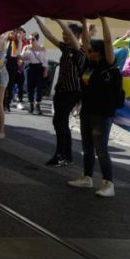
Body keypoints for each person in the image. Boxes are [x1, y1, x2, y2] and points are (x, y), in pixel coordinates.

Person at [67, 18, 122, 197]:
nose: (87, 51)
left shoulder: (109, 65)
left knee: (101, 149)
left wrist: (103, 19)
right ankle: (87, 177)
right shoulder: (89, 67)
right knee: (87, 146)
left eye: (90, 50)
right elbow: (85, 41)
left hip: (103, 113)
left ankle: (109, 184)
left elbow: (107, 41)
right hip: (88, 111)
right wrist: (83, 21)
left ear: (98, 53)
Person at [35, 17, 85, 167]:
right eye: (63, 35)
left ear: (76, 36)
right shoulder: (65, 48)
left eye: (67, 34)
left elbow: (74, 42)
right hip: (61, 90)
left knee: (60, 121)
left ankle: (61, 155)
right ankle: (66, 156)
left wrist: (58, 21)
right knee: (60, 122)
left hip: (72, 91)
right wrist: (38, 20)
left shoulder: (80, 51)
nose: (64, 36)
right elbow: (50, 35)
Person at [21, 32, 48, 114]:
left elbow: (45, 60)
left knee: (38, 87)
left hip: (39, 68)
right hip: (29, 67)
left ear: (37, 39)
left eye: (32, 39)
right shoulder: (26, 47)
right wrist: (23, 54)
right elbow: (22, 58)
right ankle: (31, 105)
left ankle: (37, 105)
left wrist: (46, 70)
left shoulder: (42, 48)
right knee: (29, 87)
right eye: (29, 39)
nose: (30, 41)